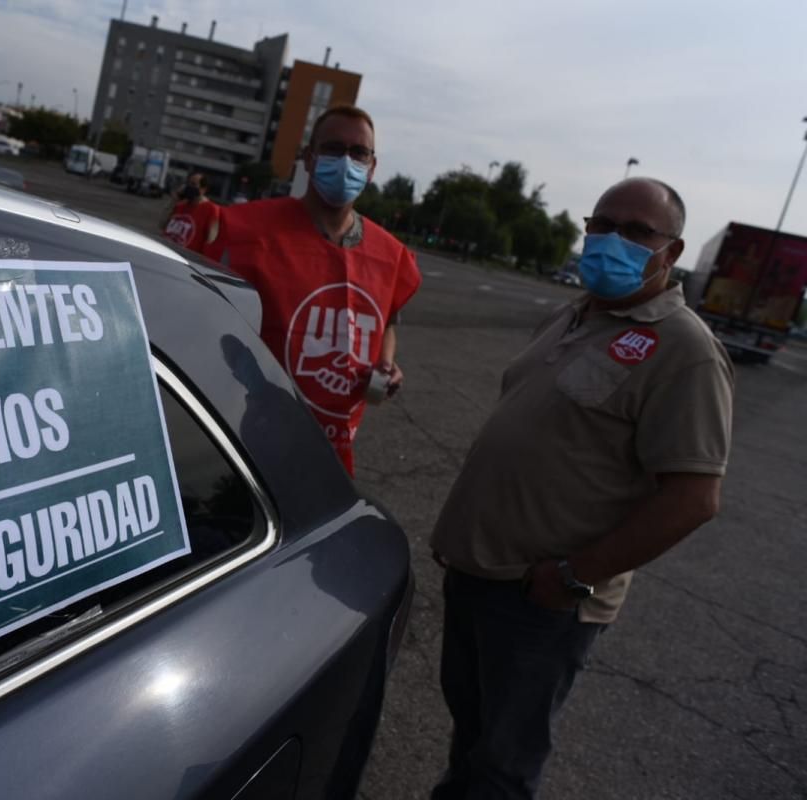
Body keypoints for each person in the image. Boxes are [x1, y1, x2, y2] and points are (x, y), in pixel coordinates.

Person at [429, 177, 734, 800]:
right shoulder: (573, 313)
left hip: (542, 600)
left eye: (636, 231)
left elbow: (692, 498)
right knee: (473, 738)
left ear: (670, 253)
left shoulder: (685, 349)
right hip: (478, 574)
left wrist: (572, 576)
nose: (611, 240)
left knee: (502, 767)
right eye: (601, 224)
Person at [204, 105, 421, 474]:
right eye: (334, 148)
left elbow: (386, 323)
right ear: (309, 157)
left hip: (330, 452)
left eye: (359, 152)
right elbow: (206, 321)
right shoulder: (247, 232)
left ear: (371, 167)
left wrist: (386, 365)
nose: (346, 161)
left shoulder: (390, 256)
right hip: (246, 437)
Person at [160, 173, 219, 254]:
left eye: (193, 184)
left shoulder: (211, 209)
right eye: (188, 183)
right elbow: (162, 225)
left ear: (203, 189)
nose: (189, 187)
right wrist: (174, 200)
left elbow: (212, 241)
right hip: (166, 252)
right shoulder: (180, 205)